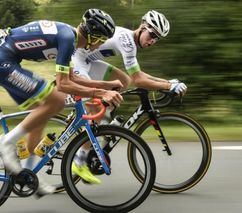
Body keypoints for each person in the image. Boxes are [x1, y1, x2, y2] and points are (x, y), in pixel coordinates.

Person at [0, 8, 123, 197]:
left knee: (40, 114)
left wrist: (106, 85)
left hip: (8, 59)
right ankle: (7, 143)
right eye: (101, 41)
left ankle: (28, 175)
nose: (99, 46)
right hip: (4, 61)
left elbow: (72, 77)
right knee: (56, 101)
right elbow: (63, 84)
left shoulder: (69, 38)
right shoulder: (67, 38)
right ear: (93, 36)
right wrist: (101, 92)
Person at [71, 10, 187, 183]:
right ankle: (79, 161)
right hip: (77, 59)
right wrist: (169, 86)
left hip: (89, 61)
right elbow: (139, 80)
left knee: (123, 81)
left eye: (157, 39)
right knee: (97, 109)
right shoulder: (127, 41)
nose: (153, 41)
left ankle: (100, 123)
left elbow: (136, 76)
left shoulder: (130, 41)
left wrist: (167, 81)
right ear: (142, 26)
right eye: (152, 34)